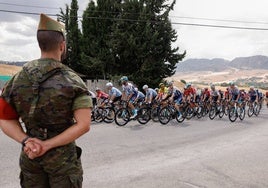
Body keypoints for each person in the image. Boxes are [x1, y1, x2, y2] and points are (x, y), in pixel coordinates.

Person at [0, 13, 92, 188]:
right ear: (62, 46)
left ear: (39, 44)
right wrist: (47, 145)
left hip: (31, 157)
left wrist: (27, 141)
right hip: (62, 163)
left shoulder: (17, 79)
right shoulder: (73, 81)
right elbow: (84, 124)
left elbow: (5, 118)